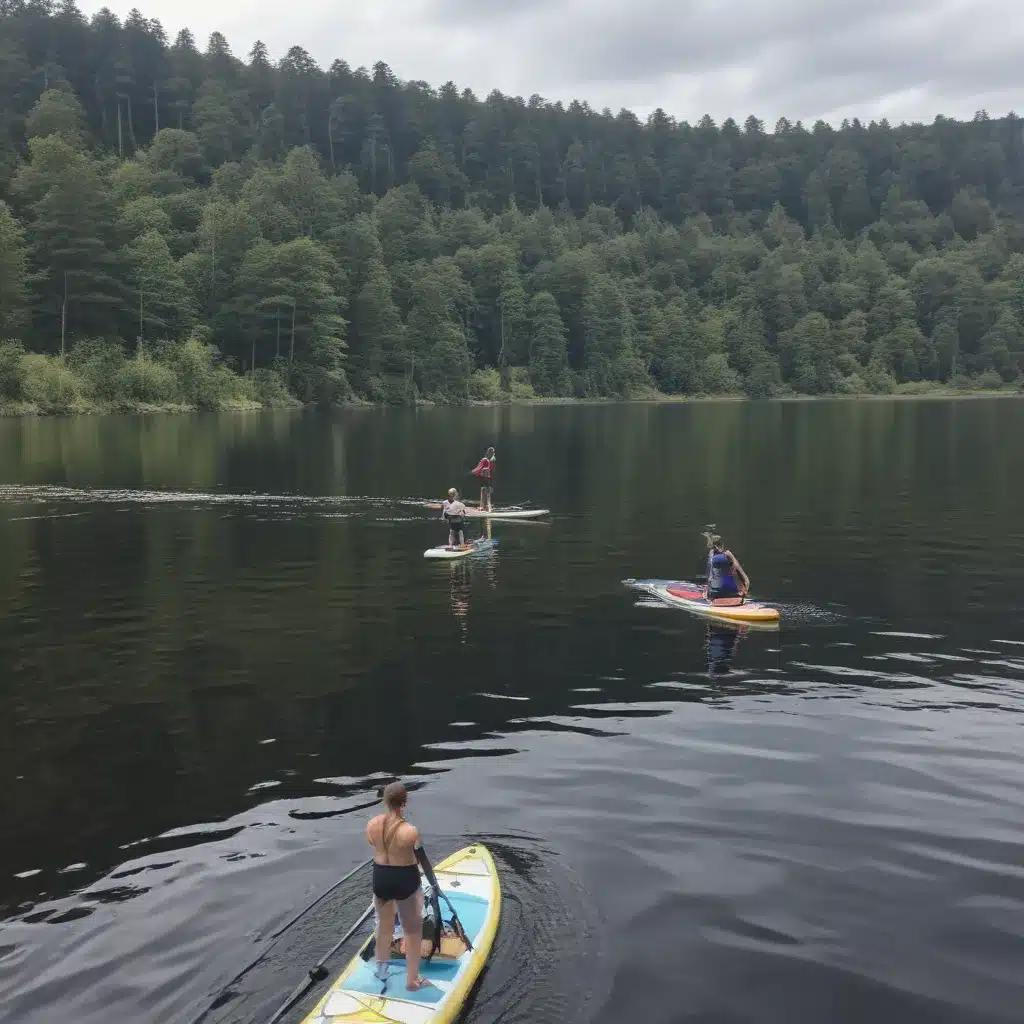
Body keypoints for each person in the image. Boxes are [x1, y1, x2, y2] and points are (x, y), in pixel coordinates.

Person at [366, 781, 433, 991]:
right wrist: (434, 884)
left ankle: (382, 972)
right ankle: (412, 981)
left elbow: (373, 843)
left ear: (385, 801)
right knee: (413, 932)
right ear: (404, 802)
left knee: (384, 927)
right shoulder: (411, 831)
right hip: (405, 880)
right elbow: (422, 859)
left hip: (381, 878)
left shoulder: (372, 824)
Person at [702, 532, 750, 602]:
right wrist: (745, 589)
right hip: (732, 592)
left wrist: (706, 593)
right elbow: (743, 576)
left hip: (715, 593)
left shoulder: (711, 555)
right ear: (722, 544)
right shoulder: (728, 554)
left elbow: (710, 577)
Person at [471, 447, 496, 512]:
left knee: (487, 493)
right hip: (484, 480)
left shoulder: (490, 461)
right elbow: (480, 469)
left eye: (492, 453)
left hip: (487, 480)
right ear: (488, 453)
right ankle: (484, 507)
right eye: (490, 453)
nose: (492, 454)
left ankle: (486, 507)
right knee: (485, 492)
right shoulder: (485, 460)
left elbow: (490, 472)